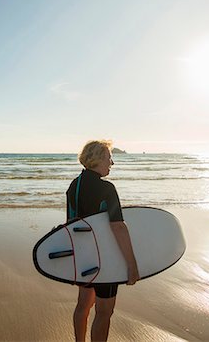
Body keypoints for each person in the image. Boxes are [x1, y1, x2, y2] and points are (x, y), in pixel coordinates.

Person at [66, 140, 140, 342]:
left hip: (84, 256)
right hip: (105, 260)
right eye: (109, 158)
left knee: (83, 305)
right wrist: (132, 264)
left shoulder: (74, 186)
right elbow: (117, 226)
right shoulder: (107, 188)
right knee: (104, 312)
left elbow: (71, 224)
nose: (112, 163)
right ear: (98, 159)